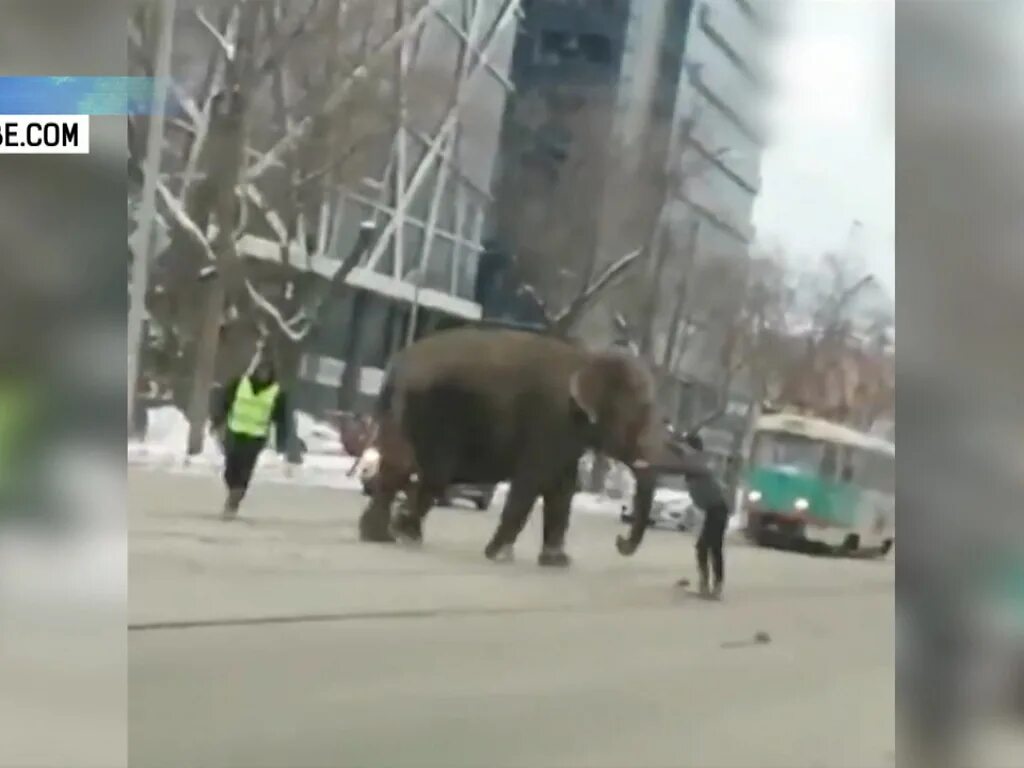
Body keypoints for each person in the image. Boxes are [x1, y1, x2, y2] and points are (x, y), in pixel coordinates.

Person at [210, 357, 290, 520]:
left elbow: (282, 418)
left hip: (256, 436)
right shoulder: (240, 384)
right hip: (235, 431)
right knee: (230, 468)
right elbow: (224, 401)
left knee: (245, 469)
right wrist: (217, 420)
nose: (263, 375)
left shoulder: (276, 393)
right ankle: (233, 490)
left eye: (267, 373)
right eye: (261, 372)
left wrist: (282, 441)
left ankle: (235, 499)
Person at [674, 431, 732, 600]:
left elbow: (685, 455)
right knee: (707, 547)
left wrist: (676, 443)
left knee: (712, 547)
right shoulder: (694, 464)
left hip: (718, 509)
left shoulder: (698, 463)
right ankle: (708, 583)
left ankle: (714, 585)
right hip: (712, 510)